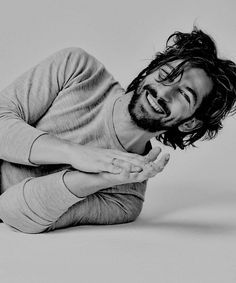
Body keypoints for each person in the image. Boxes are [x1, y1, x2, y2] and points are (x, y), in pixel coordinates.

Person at [0, 27, 235, 233]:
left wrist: (99, 177)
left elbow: (11, 212)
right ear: (149, 72)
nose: (164, 93)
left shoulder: (125, 198)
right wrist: (75, 154)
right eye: (165, 76)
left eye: (184, 95)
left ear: (190, 123)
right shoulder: (78, 70)